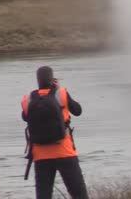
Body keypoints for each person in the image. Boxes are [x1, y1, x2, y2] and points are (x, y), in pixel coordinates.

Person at [21, 66, 88, 199]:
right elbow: (77, 111)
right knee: (79, 194)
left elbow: (25, 117)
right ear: (52, 79)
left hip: (41, 155)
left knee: (44, 195)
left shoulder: (28, 99)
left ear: (37, 80)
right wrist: (57, 88)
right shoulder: (61, 93)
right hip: (65, 152)